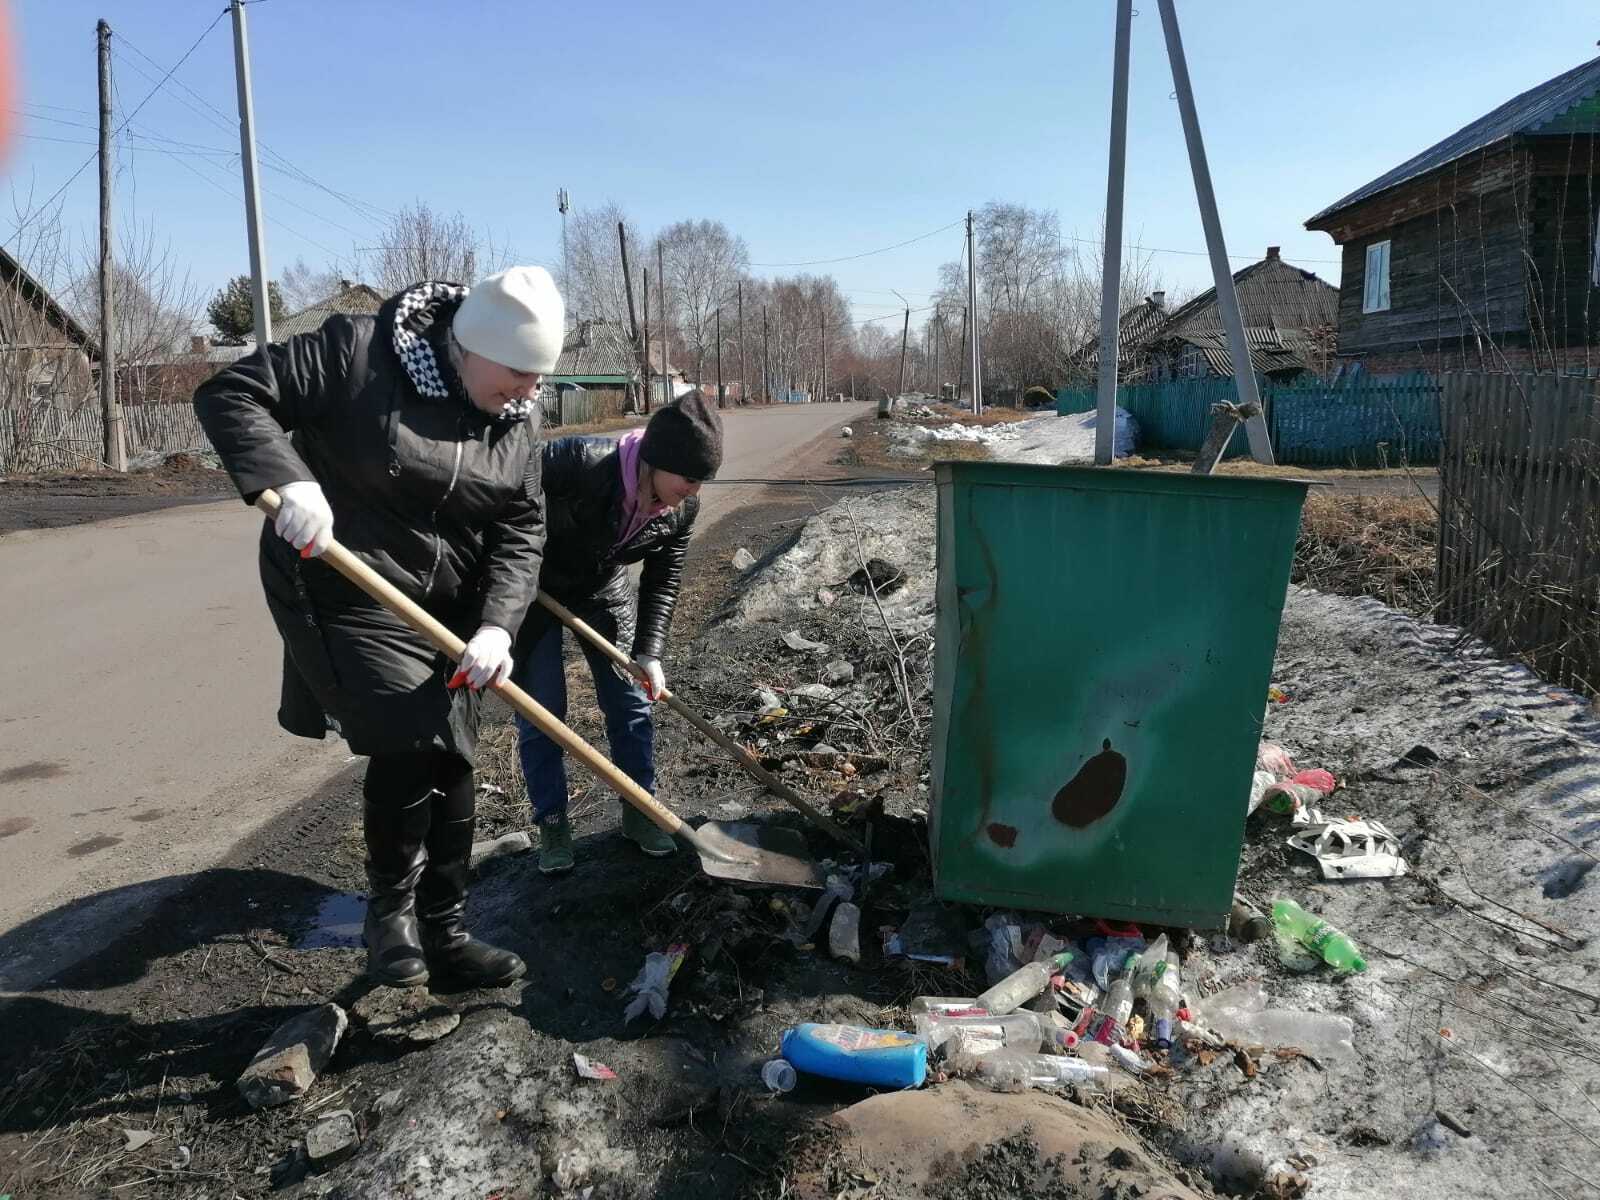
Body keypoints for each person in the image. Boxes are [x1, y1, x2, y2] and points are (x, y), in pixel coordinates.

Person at [194, 267, 563, 989]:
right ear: (470, 346)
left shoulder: (520, 419)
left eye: (538, 378)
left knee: (454, 754)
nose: (529, 391)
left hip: (447, 607)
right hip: (343, 584)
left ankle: (448, 936)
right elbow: (232, 392)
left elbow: (524, 528)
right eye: (519, 373)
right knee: (410, 729)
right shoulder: (359, 354)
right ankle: (389, 919)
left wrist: (498, 628)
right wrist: (290, 479)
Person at [513, 390, 723, 874]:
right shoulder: (578, 461)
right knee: (543, 712)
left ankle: (640, 809)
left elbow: (663, 580)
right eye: (690, 478)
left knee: (631, 702)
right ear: (657, 459)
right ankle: (552, 822)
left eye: (703, 481)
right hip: (532, 591)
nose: (694, 490)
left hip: (601, 590)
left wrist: (650, 652)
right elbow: (503, 499)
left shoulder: (680, 511)